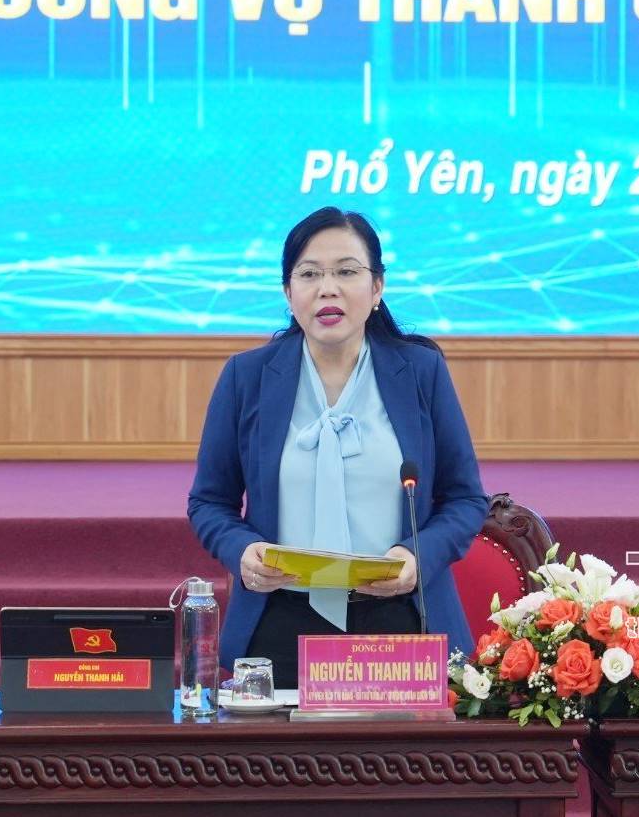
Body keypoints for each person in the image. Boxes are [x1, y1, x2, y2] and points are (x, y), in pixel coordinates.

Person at [188, 207, 488, 685]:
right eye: (309, 274)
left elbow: (466, 499)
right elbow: (208, 501)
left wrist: (417, 558)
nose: (327, 288)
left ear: (377, 287)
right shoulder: (247, 377)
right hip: (279, 623)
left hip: (401, 620)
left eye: (347, 272)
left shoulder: (420, 373)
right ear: (288, 293)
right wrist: (241, 551)